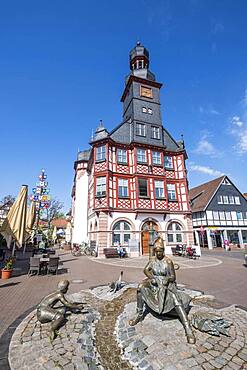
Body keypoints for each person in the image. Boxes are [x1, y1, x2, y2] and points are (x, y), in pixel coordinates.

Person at [129, 237, 196, 344]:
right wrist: (152, 278)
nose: (159, 253)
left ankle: (187, 328)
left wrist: (167, 280)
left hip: (166, 285)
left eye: (160, 251)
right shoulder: (152, 261)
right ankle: (139, 314)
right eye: (157, 252)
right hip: (155, 284)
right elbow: (145, 270)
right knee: (140, 287)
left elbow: (173, 277)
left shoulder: (168, 262)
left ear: (163, 251)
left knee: (175, 298)